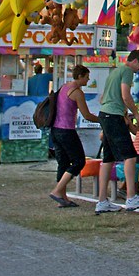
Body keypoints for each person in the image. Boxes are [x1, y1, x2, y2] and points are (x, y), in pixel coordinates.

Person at [95, 49, 139, 214]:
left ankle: (102, 200)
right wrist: (135, 113)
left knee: (108, 158)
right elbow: (126, 95)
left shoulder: (115, 71)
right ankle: (131, 197)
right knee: (130, 156)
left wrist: (123, 112)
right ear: (135, 61)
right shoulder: (127, 71)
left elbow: (103, 97)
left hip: (105, 114)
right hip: (113, 116)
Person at [49, 64, 100, 208]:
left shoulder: (64, 87)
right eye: (86, 77)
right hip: (66, 130)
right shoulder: (77, 92)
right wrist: (102, 120)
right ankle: (58, 191)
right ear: (80, 76)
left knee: (63, 163)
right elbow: (87, 115)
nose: (88, 80)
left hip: (55, 130)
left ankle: (63, 198)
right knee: (78, 161)